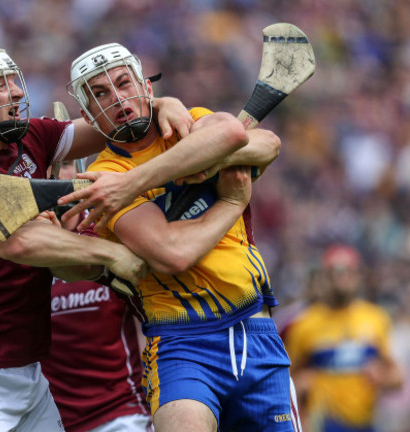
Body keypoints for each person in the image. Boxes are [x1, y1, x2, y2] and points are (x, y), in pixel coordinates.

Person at [0, 44, 198, 432]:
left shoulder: (32, 138)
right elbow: (19, 242)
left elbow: (108, 125)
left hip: (29, 373)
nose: (16, 91)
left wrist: (161, 103)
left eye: (14, 80)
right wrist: (111, 255)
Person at [63, 42, 298, 432]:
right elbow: (173, 252)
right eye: (100, 94)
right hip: (181, 343)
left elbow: (259, 141)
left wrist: (203, 160)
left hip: (256, 332)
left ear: (147, 89)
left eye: (124, 84)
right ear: (88, 115)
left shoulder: (187, 124)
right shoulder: (103, 178)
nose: (117, 99)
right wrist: (229, 201)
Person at [41, 160, 152, 432]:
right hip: (50, 422)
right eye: (46, 164)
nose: (55, 174)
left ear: (80, 169)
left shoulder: (110, 230)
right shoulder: (20, 249)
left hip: (121, 415)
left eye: (64, 163)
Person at [283, 244, 403, 432]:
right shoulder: (304, 325)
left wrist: (381, 377)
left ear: (357, 276)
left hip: (366, 423)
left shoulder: (375, 318)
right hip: (323, 424)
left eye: (348, 272)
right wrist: (301, 384)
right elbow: (284, 384)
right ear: (323, 277)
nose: (342, 278)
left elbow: (398, 378)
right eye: (335, 272)